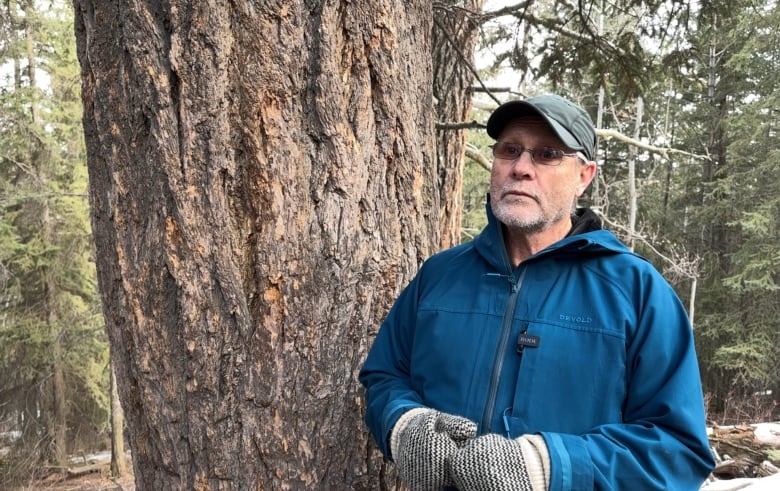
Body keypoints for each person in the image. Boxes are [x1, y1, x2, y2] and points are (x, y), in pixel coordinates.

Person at [359, 94, 715, 490]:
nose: (521, 168)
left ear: (585, 176)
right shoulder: (439, 276)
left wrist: (551, 465)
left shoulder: (636, 291)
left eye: (547, 154)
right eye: (509, 150)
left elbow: (678, 450)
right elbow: (385, 376)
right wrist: (403, 422)